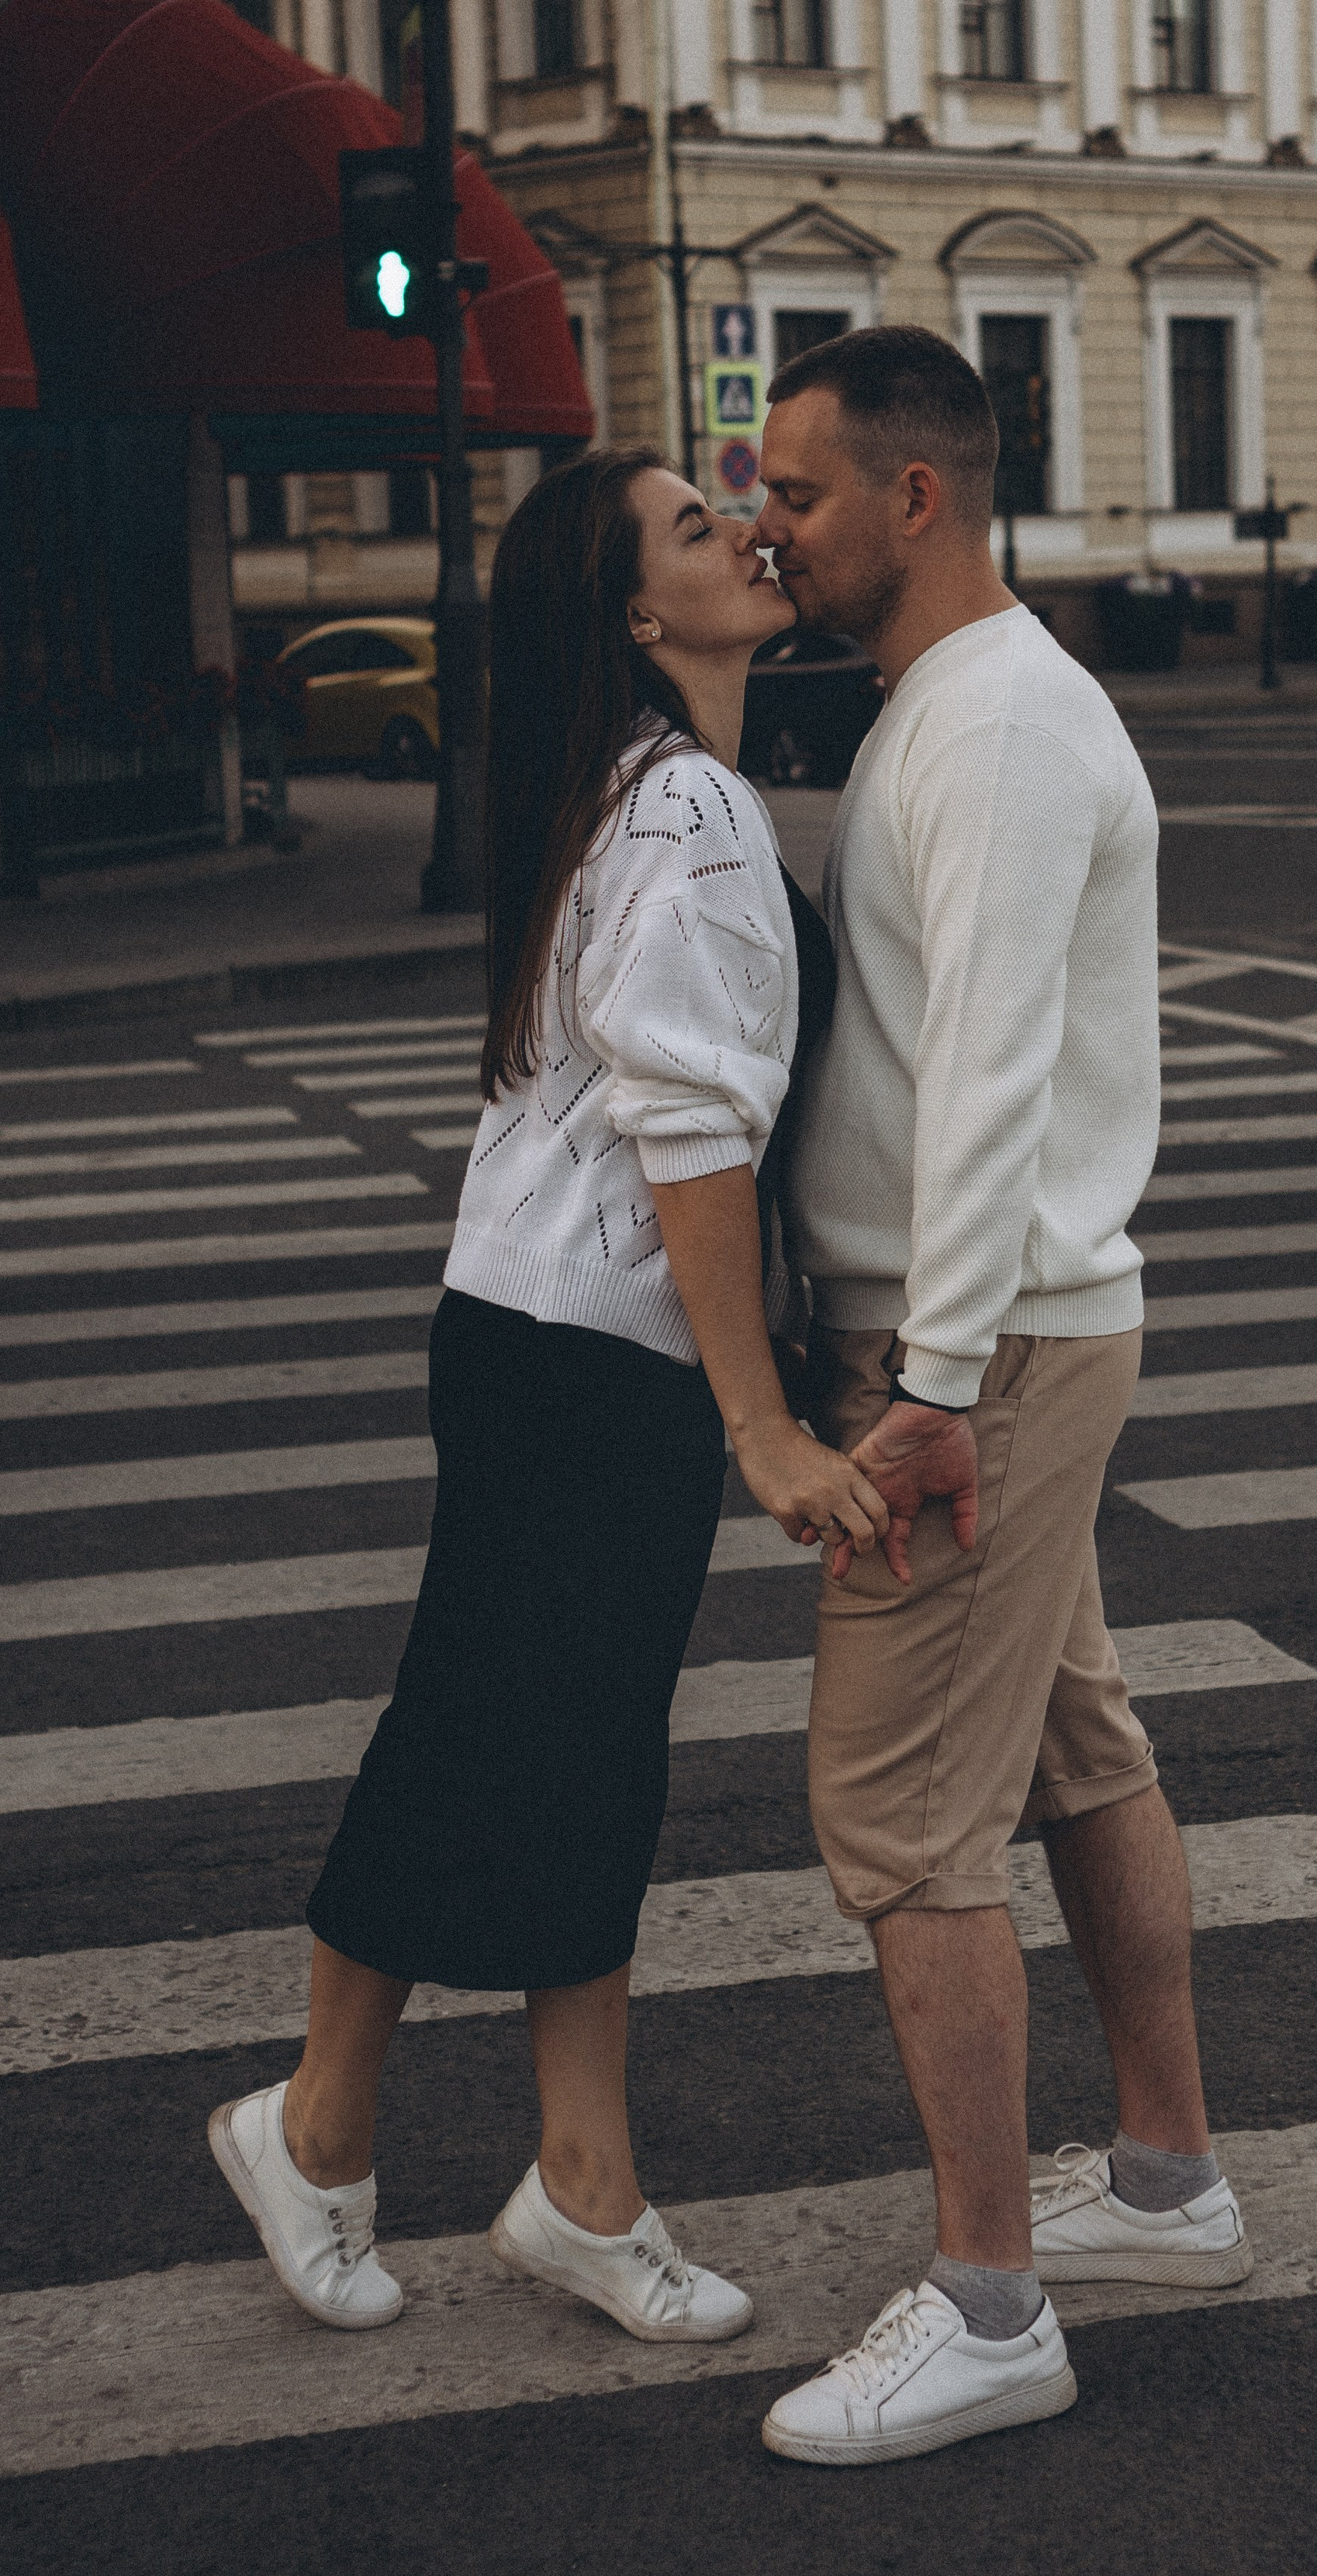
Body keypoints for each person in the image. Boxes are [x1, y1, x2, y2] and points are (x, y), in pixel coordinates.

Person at [209, 447, 888, 2346]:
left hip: (541, 1335)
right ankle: (337, 2127)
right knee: (513, 1739)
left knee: (555, 1746)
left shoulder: (647, 793)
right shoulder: (683, 816)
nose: (739, 527)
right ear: (638, 621)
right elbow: (686, 1146)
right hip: (594, 1350)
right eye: (693, 527)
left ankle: (538, 2176)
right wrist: (761, 1421)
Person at [751, 329, 1250, 2469]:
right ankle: (1164, 2182)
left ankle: (987, 2306)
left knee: (893, 1813)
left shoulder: (1007, 729)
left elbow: (989, 1091)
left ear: (915, 499)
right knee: (1072, 1745)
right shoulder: (943, 710)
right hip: (1003, 1332)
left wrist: (930, 1387)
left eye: (796, 488)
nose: (769, 520)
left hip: (987, 1351)